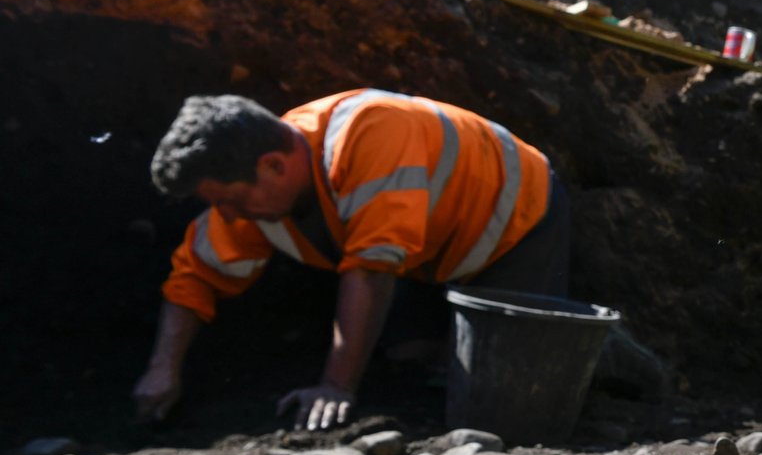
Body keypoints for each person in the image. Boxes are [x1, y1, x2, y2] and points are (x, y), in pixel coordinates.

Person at [136, 90, 568, 431]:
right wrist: (162, 371)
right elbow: (195, 275)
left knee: (513, 395)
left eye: (228, 201)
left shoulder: (370, 131)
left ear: (273, 166)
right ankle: (443, 343)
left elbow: (371, 269)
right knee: (408, 360)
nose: (225, 215)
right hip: (428, 250)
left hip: (516, 222)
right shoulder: (253, 193)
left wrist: (335, 387)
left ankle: (600, 348)